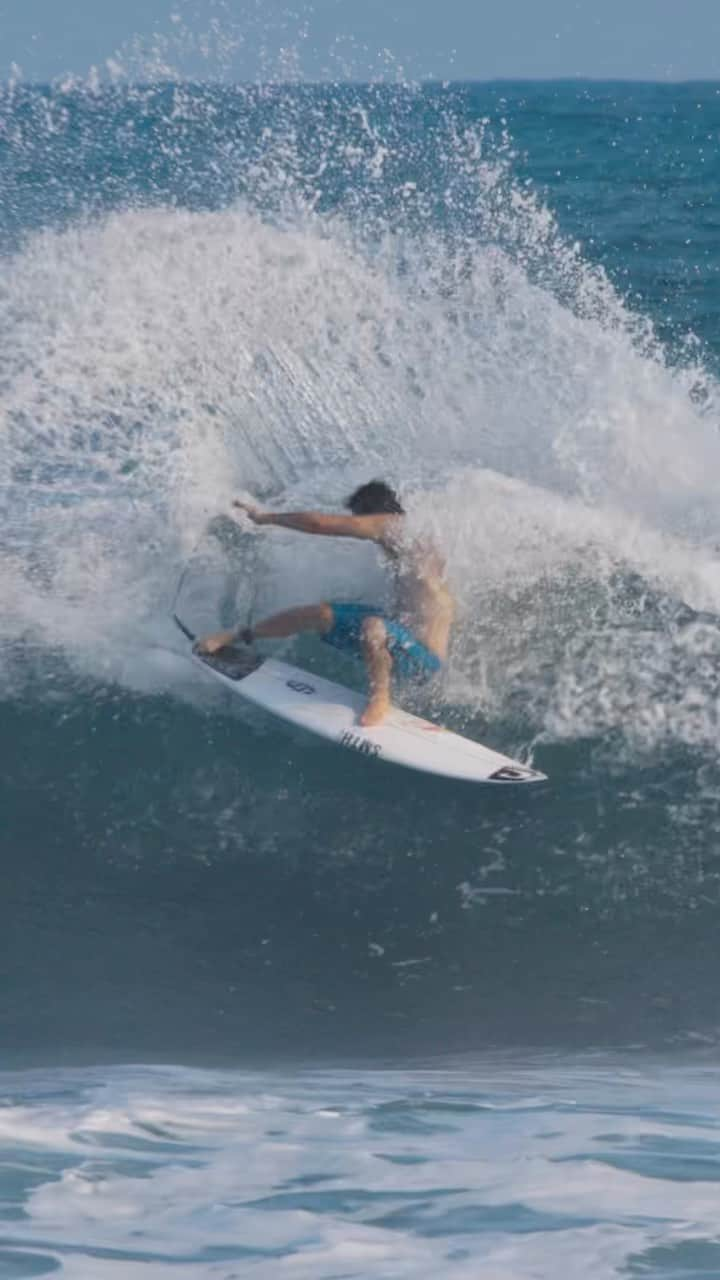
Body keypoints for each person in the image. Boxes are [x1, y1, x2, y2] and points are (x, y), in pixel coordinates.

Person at [197, 480, 454, 726]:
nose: (360, 527)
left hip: (422, 662)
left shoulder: (392, 525)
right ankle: (236, 636)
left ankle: (381, 699)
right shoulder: (409, 544)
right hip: (398, 637)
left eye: (359, 517)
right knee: (319, 613)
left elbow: (318, 523)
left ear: (371, 512)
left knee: (374, 626)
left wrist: (265, 518)